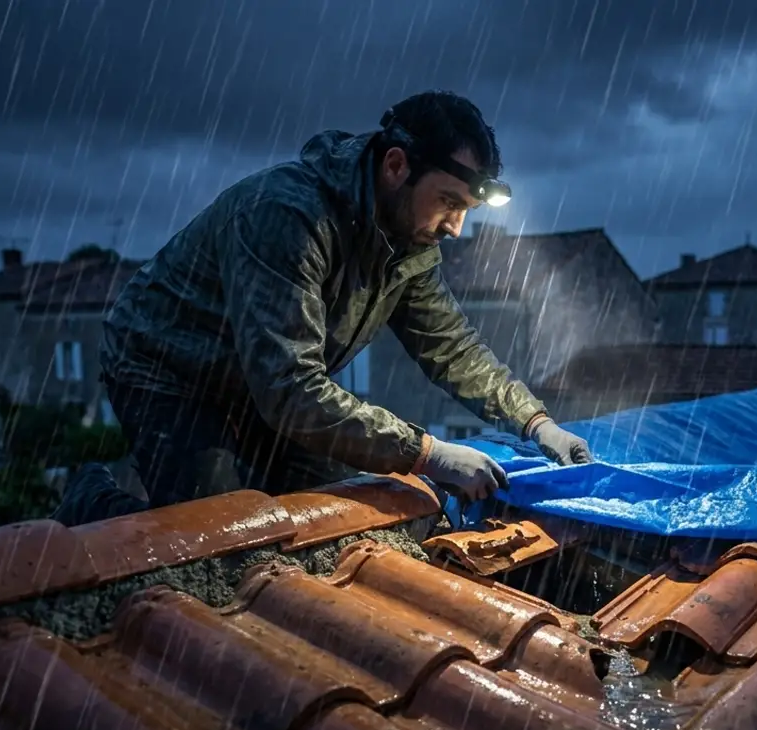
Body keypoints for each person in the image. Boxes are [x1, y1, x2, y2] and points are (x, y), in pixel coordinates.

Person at [56, 90, 592, 525]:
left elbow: (451, 346)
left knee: (330, 516)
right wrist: (429, 453)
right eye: (450, 203)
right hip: (169, 369)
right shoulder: (287, 217)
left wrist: (536, 423)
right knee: (217, 533)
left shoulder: (410, 243)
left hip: (262, 381)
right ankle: (93, 504)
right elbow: (290, 391)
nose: (456, 228)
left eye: (466, 211)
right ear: (396, 166)